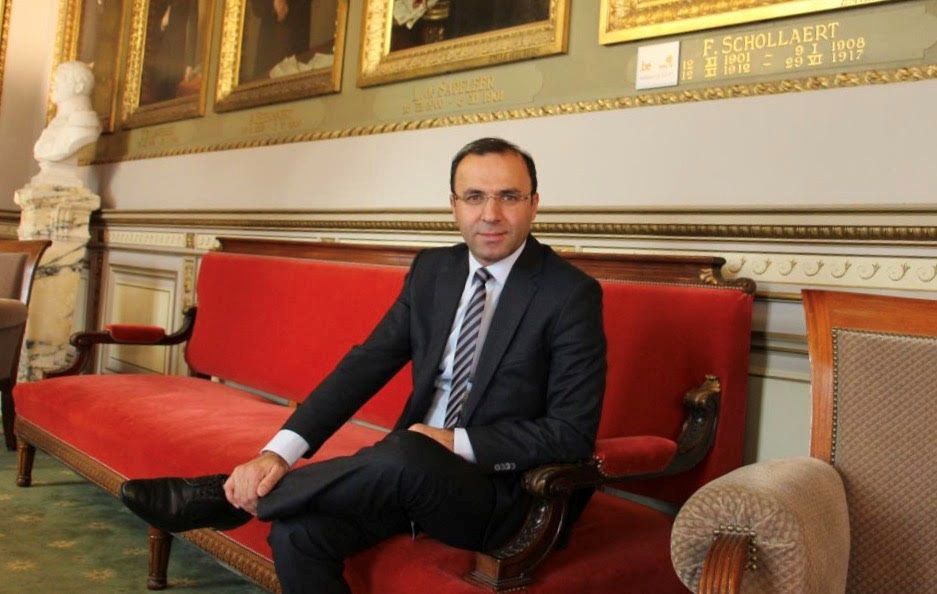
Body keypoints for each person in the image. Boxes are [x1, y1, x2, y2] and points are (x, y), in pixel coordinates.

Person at [120, 137, 607, 594]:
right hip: (405, 475)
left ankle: (225, 500)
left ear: (534, 204)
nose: (491, 214)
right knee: (298, 533)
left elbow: (570, 434)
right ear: (454, 205)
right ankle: (256, 493)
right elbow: (364, 367)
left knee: (409, 449)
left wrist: (452, 442)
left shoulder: (569, 295)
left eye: (509, 196)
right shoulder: (434, 271)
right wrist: (277, 454)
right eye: (475, 197)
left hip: (504, 495)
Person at [32, 61, 102, 187]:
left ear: (79, 87)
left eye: (62, 78)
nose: (53, 84)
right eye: (54, 79)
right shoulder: (57, 123)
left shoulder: (84, 125)